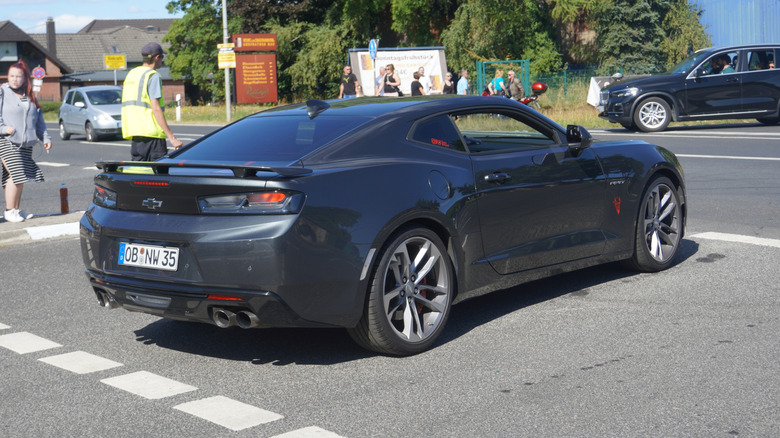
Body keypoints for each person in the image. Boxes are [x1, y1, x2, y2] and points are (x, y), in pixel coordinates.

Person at [0, 61, 52, 223]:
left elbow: (39, 121)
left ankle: (15, 210)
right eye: (11, 76)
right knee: (17, 175)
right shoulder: (2, 92)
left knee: (19, 177)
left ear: (25, 78)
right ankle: (9, 211)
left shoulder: (30, 95)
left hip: (26, 144)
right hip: (6, 141)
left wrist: (45, 138)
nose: (14, 79)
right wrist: (3, 128)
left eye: (18, 76)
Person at [121, 42, 182, 161]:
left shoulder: (131, 74)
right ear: (157, 57)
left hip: (136, 133)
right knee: (157, 176)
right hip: (152, 134)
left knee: (138, 173)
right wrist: (172, 137)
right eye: (162, 58)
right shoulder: (153, 76)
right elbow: (155, 108)